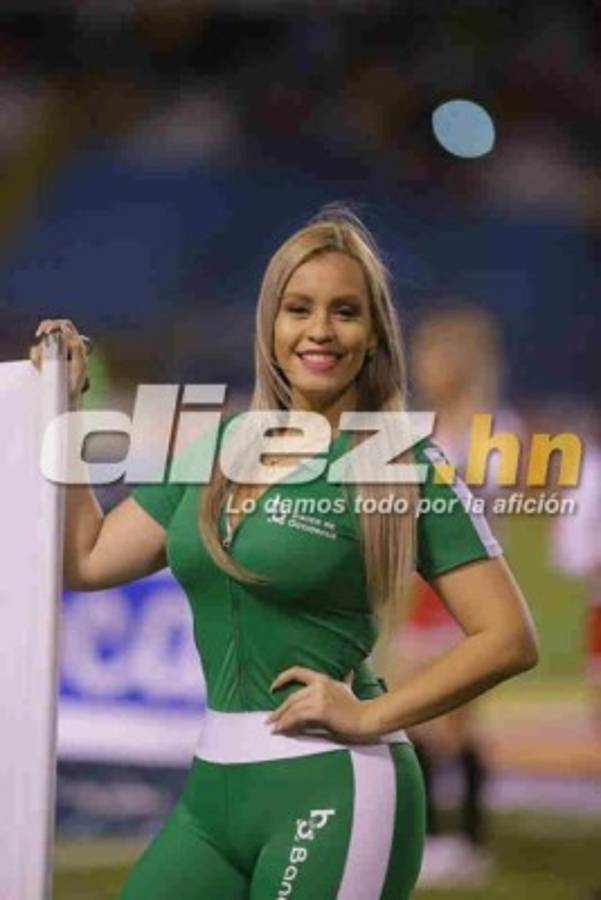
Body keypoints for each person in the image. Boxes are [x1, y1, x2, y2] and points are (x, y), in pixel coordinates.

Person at [30, 207, 539, 899]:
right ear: (270, 324)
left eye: (344, 311)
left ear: (374, 333)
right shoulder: (219, 445)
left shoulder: (401, 461)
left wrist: (367, 715)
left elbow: (508, 636)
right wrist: (66, 409)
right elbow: (84, 561)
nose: (320, 331)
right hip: (212, 793)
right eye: (298, 308)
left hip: (337, 789)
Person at [382, 305, 521, 888]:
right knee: (413, 709)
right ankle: (436, 834)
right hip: (424, 588)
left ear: (460, 362)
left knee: (457, 720)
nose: (424, 366)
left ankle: (465, 839)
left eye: (433, 355)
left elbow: (496, 510)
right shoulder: (428, 427)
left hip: (464, 586)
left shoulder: (495, 427)